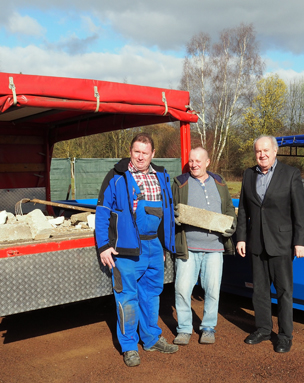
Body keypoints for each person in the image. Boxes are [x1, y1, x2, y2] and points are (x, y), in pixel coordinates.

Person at [95, 132, 178, 367]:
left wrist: (163, 244)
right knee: (127, 298)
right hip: (126, 248)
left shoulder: (161, 175)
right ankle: (129, 345)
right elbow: (102, 212)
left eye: (145, 152)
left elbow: (167, 213)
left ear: (152, 154)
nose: (140, 157)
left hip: (153, 246)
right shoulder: (116, 176)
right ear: (130, 152)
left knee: (152, 295)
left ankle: (151, 338)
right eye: (136, 152)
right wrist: (103, 246)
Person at [235, 135, 304, 353]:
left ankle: (285, 335)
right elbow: (244, 210)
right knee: (260, 291)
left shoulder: (291, 174)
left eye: (266, 150)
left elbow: (299, 212)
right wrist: (241, 237)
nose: (262, 154)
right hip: (256, 243)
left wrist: (299, 241)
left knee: (284, 291)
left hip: (282, 243)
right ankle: (264, 329)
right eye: (258, 151)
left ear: (275, 152)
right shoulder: (248, 174)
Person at [172, 147, 237, 346]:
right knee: (182, 288)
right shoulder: (180, 183)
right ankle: (184, 329)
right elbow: (170, 209)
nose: (194, 164)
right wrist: (175, 217)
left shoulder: (219, 182)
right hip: (188, 247)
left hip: (215, 247)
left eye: (198, 161)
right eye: (191, 161)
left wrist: (231, 226)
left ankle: (208, 327)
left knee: (212, 289)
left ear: (207, 162)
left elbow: (228, 209)